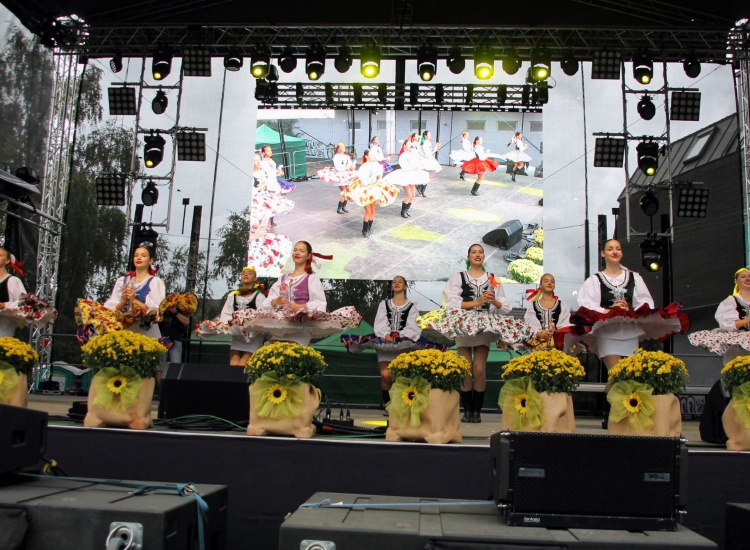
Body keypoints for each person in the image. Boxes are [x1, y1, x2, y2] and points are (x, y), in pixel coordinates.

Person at [560, 239, 688, 391]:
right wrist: (608, 311)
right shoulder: (594, 280)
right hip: (607, 331)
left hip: (629, 331)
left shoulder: (634, 278)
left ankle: (621, 405)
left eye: (618, 249)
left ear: (621, 253)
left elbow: (646, 301)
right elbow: (586, 304)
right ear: (603, 253)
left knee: (629, 375)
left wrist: (630, 309)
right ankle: (616, 405)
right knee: (616, 375)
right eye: (610, 249)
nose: (614, 252)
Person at [423, 244, 530, 423]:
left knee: (479, 369)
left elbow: (504, 306)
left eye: (480, 252)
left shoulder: (493, 278)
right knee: (466, 369)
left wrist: (493, 301)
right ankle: (467, 410)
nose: (477, 255)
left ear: (484, 256)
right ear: (468, 257)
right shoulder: (458, 277)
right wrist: (477, 302)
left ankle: (477, 410)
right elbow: (451, 303)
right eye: (474, 252)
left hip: (484, 325)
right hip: (464, 325)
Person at [341, 276, 446, 410]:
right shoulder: (384, 304)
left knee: (397, 377)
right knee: (386, 376)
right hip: (384, 343)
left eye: (400, 282)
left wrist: (400, 337)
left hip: (402, 345)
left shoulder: (411, 307)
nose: (396, 284)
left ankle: (396, 407)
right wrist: (386, 335)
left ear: (405, 286)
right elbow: (379, 323)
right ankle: (388, 405)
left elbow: (414, 327)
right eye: (394, 282)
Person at [236, 241, 361, 345]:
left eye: (301, 251)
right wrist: (275, 301)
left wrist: (300, 307)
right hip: (281, 326)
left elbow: (320, 303)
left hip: (301, 327)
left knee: (291, 356)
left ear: (308, 256)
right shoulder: (283, 279)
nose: (297, 253)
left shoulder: (311, 278)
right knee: (273, 354)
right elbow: (267, 303)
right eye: (295, 250)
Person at [689, 267, 750, 364]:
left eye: (749, 276)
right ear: (736, 281)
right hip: (739, 344)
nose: (747, 279)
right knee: (738, 368)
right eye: (743, 277)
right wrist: (747, 320)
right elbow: (728, 325)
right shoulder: (731, 301)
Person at [344, 148, 399, 238]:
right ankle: (365, 230)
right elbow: (364, 181)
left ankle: (369, 228)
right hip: (365, 190)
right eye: (371, 154)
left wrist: (378, 178)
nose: (373, 156)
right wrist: (374, 178)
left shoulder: (376, 164)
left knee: (373, 210)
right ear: (366, 156)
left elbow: (379, 176)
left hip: (373, 188)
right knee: (368, 211)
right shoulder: (364, 167)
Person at [220, 266, 267, 365]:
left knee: (243, 363)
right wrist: (229, 325)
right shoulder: (233, 296)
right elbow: (226, 314)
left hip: (253, 337)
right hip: (238, 336)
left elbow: (263, 316)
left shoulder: (259, 296)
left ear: (255, 278)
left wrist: (250, 326)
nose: (246, 275)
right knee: (233, 363)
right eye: (243, 273)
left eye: (250, 273)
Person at [524, 273, 571, 350]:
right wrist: (539, 334)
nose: (549, 283)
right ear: (540, 285)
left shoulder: (562, 305)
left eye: (552, 281)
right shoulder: (533, 306)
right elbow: (529, 326)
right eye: (546, 281)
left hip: (558, 343)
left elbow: (566, 325)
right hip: (537, 343)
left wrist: (556, 334)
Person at [383, 139, 430, 218]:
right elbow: (405, 167)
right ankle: (403, 211)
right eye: (408, 144)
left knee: (413, 195)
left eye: (410, 144)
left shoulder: (411, 154)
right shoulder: (403, 155)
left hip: (411, 175)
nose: (410, 145)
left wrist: (418, 163)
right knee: (409, 195)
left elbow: (415, 162)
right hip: (405, 176)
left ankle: (406, 210)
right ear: (404, 145)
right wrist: (413, 166)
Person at [316, 142, 358, 214]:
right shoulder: (336, 157)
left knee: (347, 191)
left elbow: (351, 166)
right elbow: (338, 168)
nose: (344, 148)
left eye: (344, 147)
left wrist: (353, 166)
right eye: (342, 147)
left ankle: (344, 207)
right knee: (344, 192)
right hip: (339, 176)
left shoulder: (347, 157)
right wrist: (347, 167)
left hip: (346, 176)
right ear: (338, 149)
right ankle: (339, 208)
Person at [0, 247, 27, 338]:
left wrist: (4, 305)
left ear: (7, 261)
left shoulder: (12, 281)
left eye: (0, 255)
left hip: (3, 331)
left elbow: (24, 305)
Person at [417, 130, 442, 196]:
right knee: (428, 175)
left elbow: (429, 151)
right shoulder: (425, 143)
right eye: (429, 134)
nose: (430, 135)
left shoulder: (427, 142)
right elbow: (427, 154)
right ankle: (421, 188)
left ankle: (421, 187)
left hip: (428, 159)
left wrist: (434, 149)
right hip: (426, 160)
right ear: (425, 136)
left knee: (429, 175)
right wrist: (434, 150)